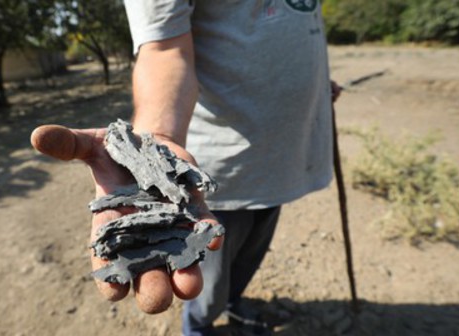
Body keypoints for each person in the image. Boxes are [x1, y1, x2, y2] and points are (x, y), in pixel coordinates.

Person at [31, 0, 340, 335]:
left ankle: (235, 304)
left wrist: (315, 79)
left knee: (249, 259)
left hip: (284, 161)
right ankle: (198, 327)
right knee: (208, 281)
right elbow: (164, 49)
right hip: (224, 175)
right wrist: (158, 137)